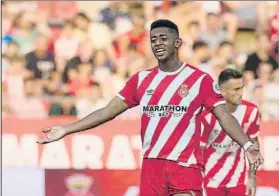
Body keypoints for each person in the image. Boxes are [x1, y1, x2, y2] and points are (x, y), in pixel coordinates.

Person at [37, 19, 263, 196]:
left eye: (163, 38)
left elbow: (224, 116)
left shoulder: (199, 80)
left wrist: (246, 145)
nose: (157, 43)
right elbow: (107, 111)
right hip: (152, 167)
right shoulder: (141, 80)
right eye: (153, 39)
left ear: (177, 43)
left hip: (185, 166)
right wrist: (67, 129)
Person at [201, 69, 261, 196]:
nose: (241, 93)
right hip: (211, 181)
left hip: (239, 181)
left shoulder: (251, 111)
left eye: (242, 88)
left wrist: (252, 178)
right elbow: (198, 150)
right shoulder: (207, 114)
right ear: (222, 91)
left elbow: (254, 144)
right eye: (236, 89)